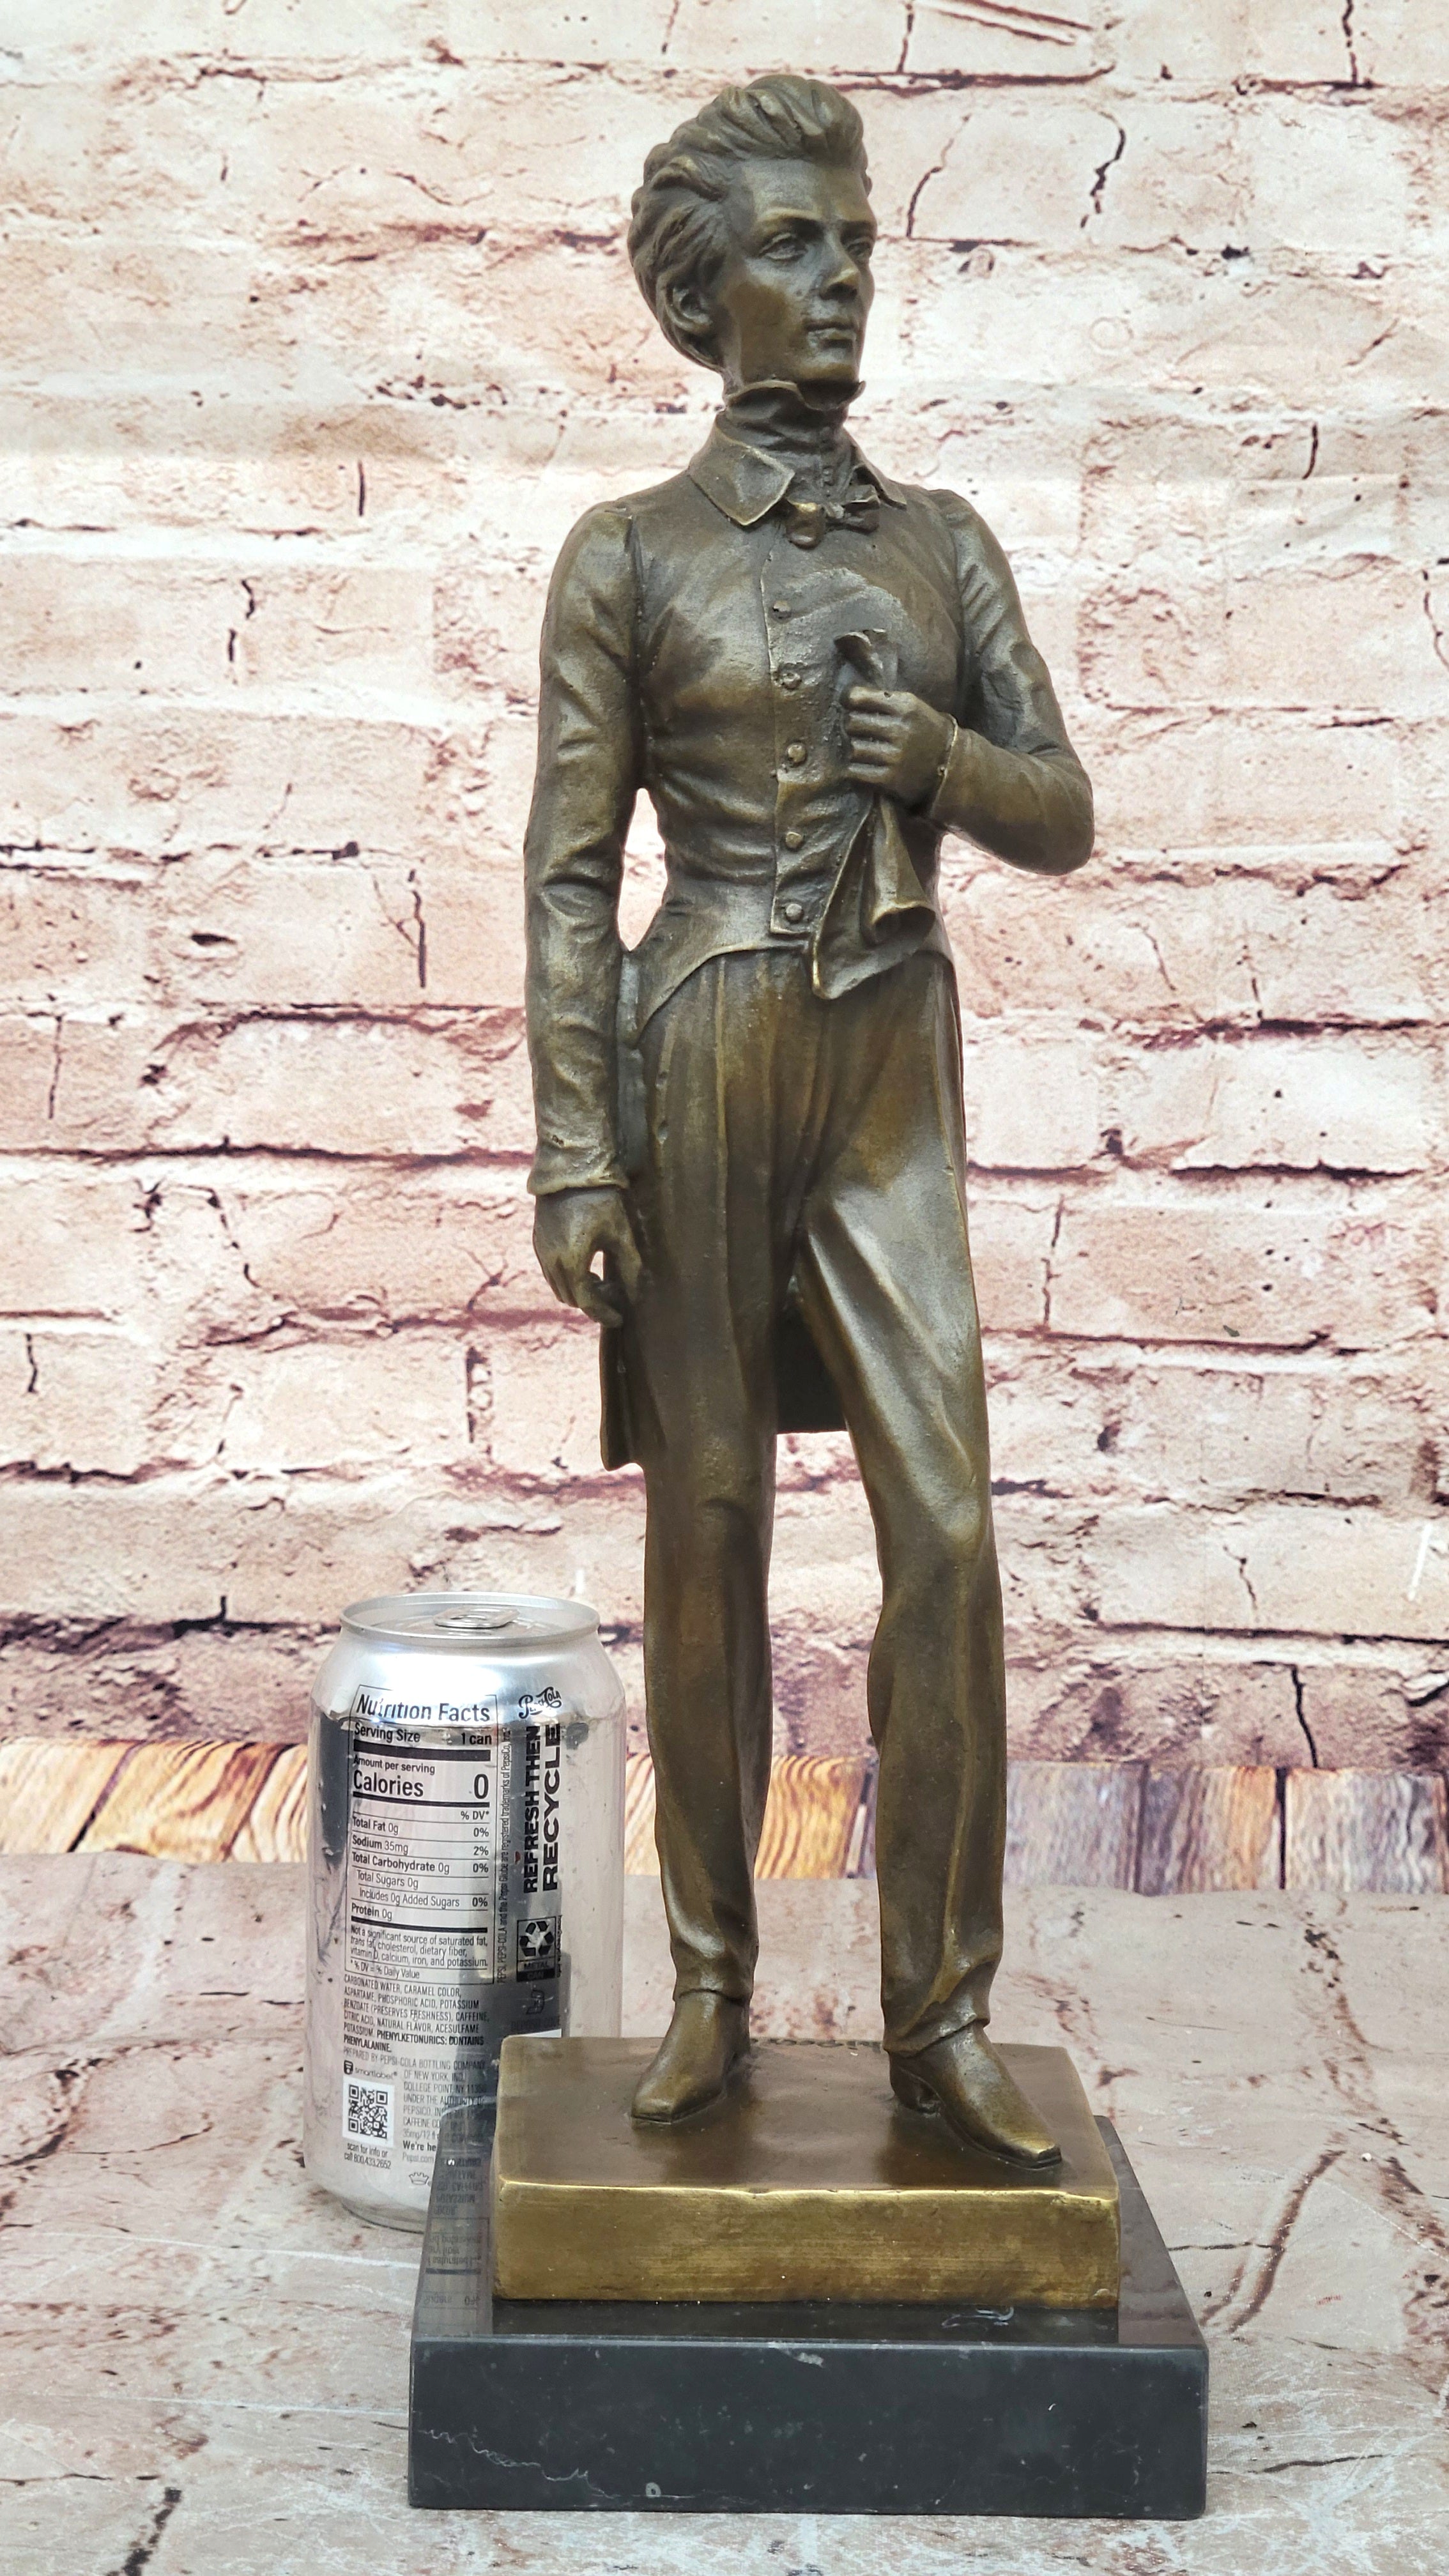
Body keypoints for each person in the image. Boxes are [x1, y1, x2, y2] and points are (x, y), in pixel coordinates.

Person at [524, 73, 1092, 2163]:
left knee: (943, 1527)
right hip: (701, 1041)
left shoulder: (945, 545)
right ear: (703, 298)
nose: (840, 278)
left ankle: (941, 2017)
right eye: (792, 246)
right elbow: (570, 875)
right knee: (707, 1526)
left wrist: (934, 752)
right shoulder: (628, 555)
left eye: (854, 242)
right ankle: (708, 1991)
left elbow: (1061, 811)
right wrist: (573, 1146)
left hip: (883, 1057)